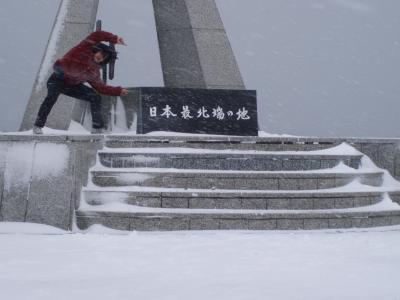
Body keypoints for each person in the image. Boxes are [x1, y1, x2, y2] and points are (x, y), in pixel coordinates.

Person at [33, 30, 129, 134]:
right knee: (51, 97)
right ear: (97, 50)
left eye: (104, 57)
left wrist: (118, 91)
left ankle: (97, 128)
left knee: (95, 96)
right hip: (57, 79)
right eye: (101, 53)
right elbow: (97, 35)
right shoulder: (84, 48)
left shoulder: (94, 71)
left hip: (71, 86)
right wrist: (114, 39)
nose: (101, 57)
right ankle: (38, 126)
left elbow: (101, 88)